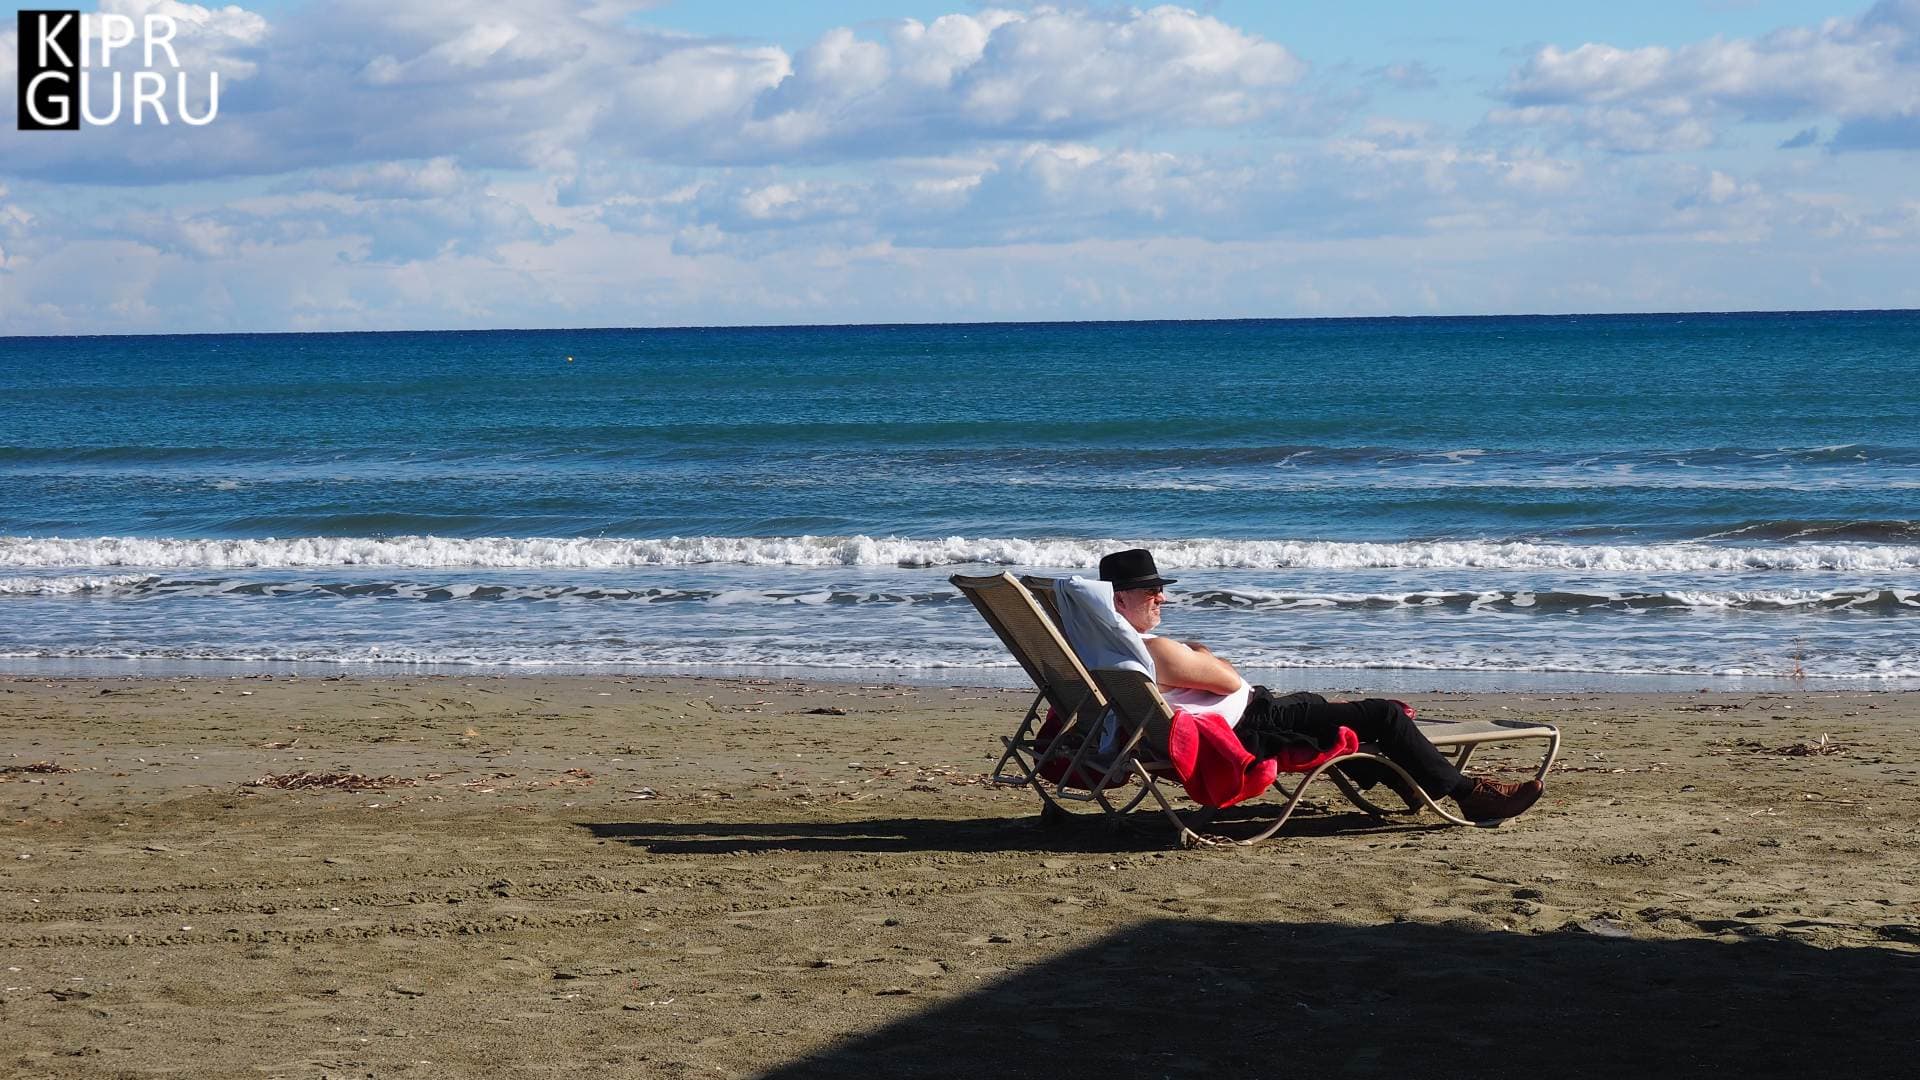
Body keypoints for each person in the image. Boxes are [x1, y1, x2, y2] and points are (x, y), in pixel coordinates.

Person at [1097, 548, 1543, 823]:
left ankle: (1407, 779)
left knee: (1325, 712)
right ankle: (1471, 796)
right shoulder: (1156, 650)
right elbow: (1228, 677)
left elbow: (1208, 672)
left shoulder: (1105, 647)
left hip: (1239, 716)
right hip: (1251, 724)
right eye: (1151, 589)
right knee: (1381, 714)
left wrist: (1198, 657)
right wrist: (1202, 656)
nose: (1163, 596)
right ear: (1120, 599)